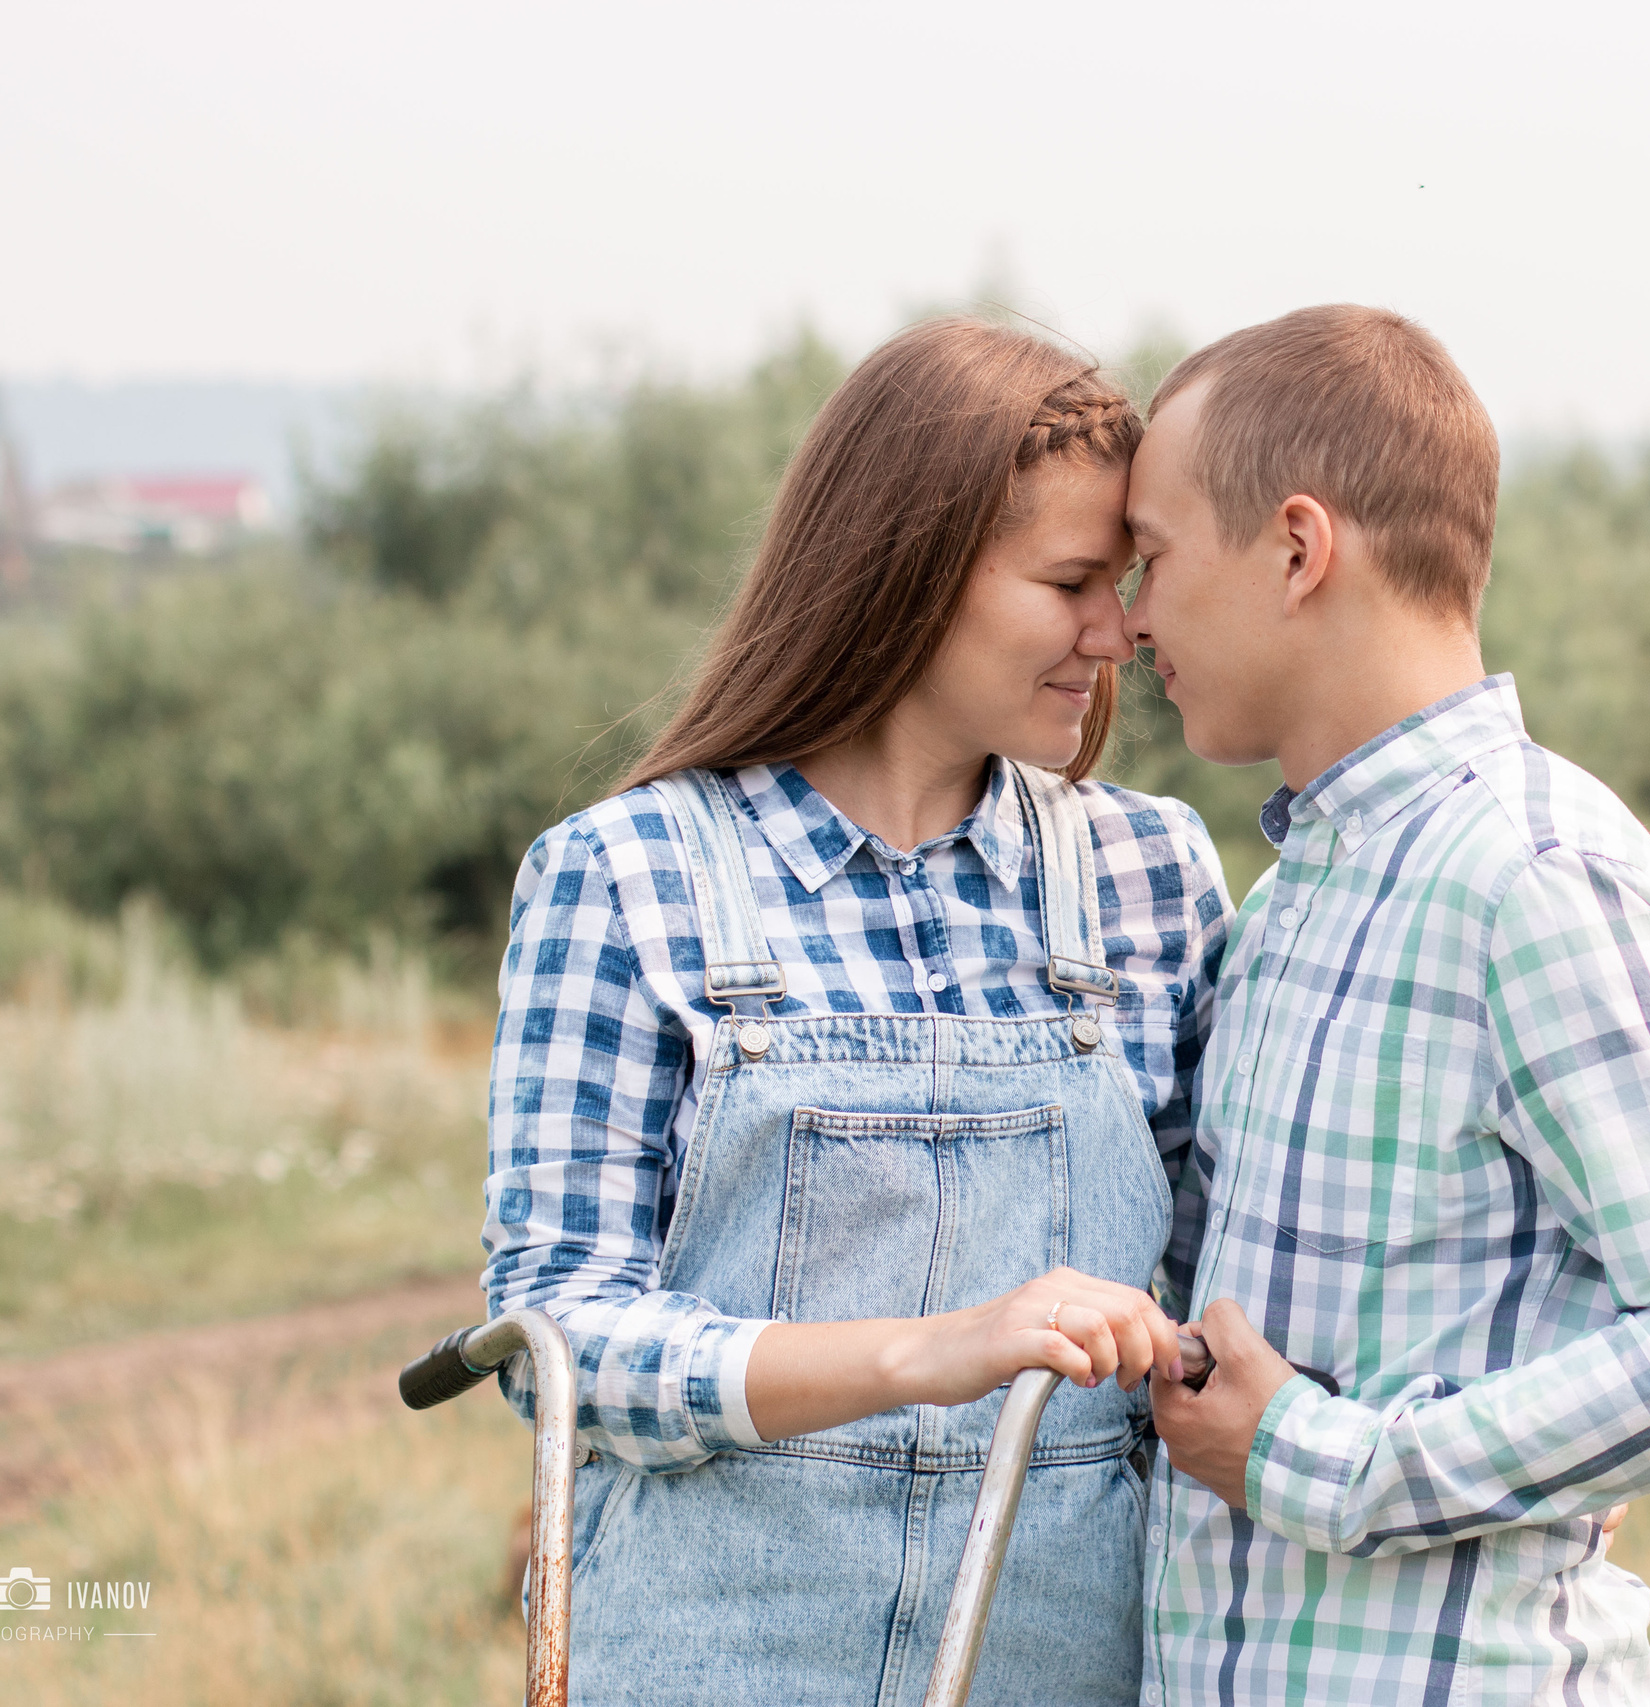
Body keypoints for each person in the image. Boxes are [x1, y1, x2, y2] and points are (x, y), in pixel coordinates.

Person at [478, 319, 1230, 1705]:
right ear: (912, 570)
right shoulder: (625, 876)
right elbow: (559, 1342)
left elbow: (1229, 1293)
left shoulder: (1151, 874)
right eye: (1070, 581)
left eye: (1123, 584)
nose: (1118, 629)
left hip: (1068, 1665)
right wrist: (926, 1354)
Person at [1131, 306, 1650, 1705]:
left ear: (1297, 549)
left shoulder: (1533, 875)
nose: (1133, 616)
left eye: (1153, 557)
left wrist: (1329, 1465)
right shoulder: (1288, 901)